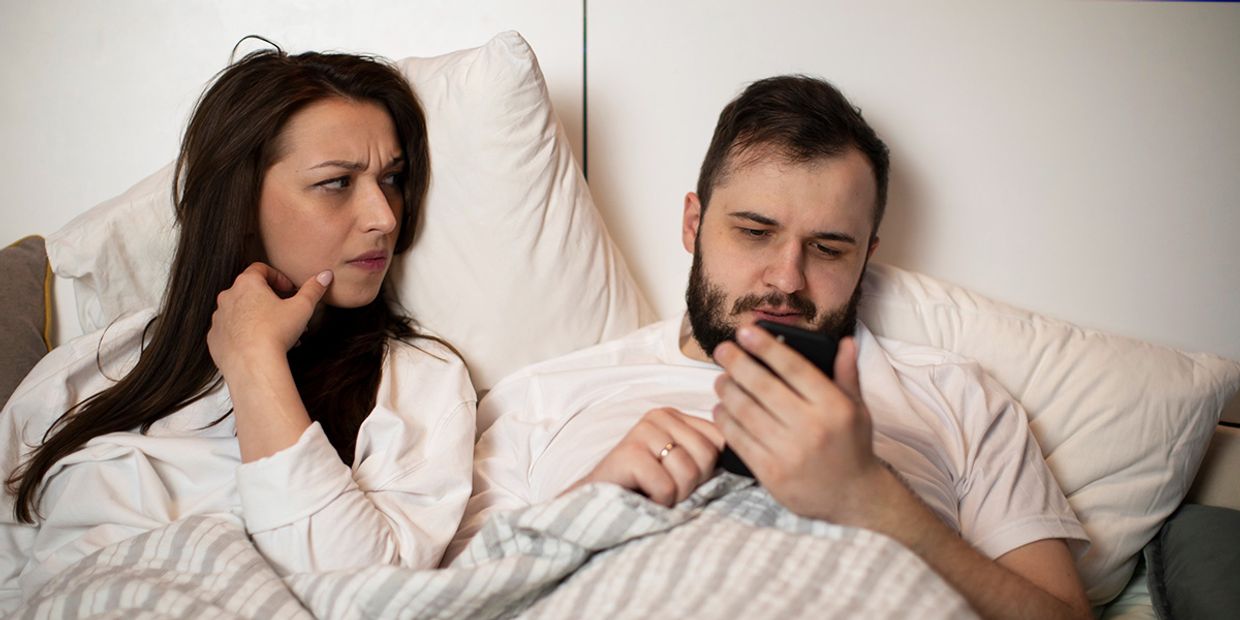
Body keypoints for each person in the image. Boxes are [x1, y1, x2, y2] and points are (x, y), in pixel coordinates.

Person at [453, 75, 1093, 618]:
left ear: (867, 255)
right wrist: (591, 501)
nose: (787, 279)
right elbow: (458, 602)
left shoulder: (958, 397)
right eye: (755, 232)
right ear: (694, 224)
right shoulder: (544, 398)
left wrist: (873, 500)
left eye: (828, 248)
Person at [0, 47, 475, 611]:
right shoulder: (89, 370)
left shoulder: (421, 386)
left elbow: (362, 594)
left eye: (392, 178)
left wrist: (256, 362)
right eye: (337, 183)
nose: (385, 216)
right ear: (241, 202)